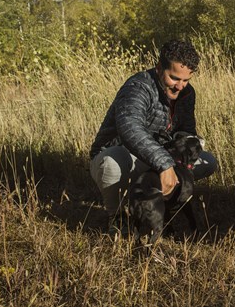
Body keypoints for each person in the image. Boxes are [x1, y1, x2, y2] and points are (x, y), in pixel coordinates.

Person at [89, 39, 218, 236]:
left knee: (208, 161)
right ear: (159, 68)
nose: (180, 86)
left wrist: (185, 147)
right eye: (174, 78)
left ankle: (162, 205)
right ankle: (118, 217)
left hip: (160, 157)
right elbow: (130, 128)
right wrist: (165, 164)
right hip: (123, 155)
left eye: (186, 80)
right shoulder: (137, 87)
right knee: (112, 163)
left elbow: (186, 129)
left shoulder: (187, 93)